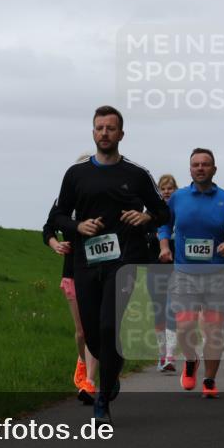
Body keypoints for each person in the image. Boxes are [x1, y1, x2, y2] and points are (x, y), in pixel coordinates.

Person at [51, 106, 170, 424]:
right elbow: (57, 217)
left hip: (124, 260)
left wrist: (146, 217)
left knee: (108, 325)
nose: (104, 133)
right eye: (99, 128)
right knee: (91, 334)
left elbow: (164, 213)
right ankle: (111, 372)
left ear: (121, 134)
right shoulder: (76, 175)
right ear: (93, 133)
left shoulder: (136, 174)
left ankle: (103, 397)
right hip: (86, 263)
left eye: (111, 128)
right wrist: (78, 227)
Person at [158, 148, 224, 399]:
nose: (200, 168)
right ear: (190, 169)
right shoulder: (178, 197)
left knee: (214, 329)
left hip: (216, 274)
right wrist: (165, 246)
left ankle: (210, 380)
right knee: (184, 326)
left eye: (205, 164)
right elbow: (164, 223)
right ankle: (191, 360)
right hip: (184, 272)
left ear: (214, 169)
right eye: (196, 164)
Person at [43, 165, 98, 405]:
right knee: (82, 331)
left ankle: (91, 382)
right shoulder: (65, 202)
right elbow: (48, 228)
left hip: (100, 271)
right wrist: (56, 244)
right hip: (73, 272)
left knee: (97, 328)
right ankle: (82, 361)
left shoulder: (105, 200)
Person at [148, 175, 179, 372]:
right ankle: (161, 354)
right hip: (155, 267)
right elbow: (144, 234)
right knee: (158, 310)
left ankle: (170, 356)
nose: (166, 191)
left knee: (172, 308)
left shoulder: (179, 212)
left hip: (176, 267)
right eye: (163, 188)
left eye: (170, 188)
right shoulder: (150, 213)